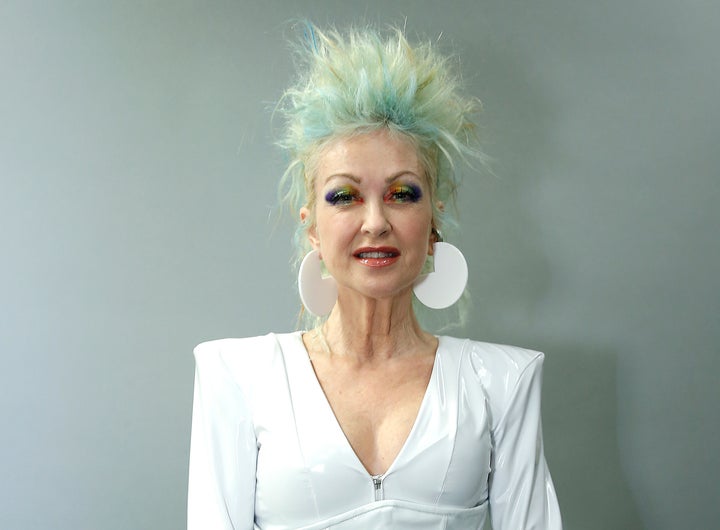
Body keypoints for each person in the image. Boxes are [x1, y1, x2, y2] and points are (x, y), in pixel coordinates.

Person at [188, 24, 562, 529]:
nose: (375, 221)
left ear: (433, 223)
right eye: (344, 196)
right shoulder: (235, 376)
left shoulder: (501, 382)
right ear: (313, 228)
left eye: (401, 194)